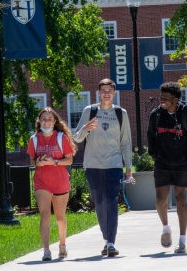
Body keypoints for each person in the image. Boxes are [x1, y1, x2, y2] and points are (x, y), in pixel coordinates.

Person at [73, 78, 133, 257]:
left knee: (112, 202)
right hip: (93, 165)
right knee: (99, 203)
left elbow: (126, 142)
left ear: (114, 93)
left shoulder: (121, 113)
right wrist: (86, 128)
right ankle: (106, 239)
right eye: (103, 90)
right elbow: (76, 137)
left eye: (110, 90)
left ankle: (111, 243)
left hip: (114, 165)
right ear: (98, 93)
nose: (106, 93)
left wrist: (128, 167)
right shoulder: (89, 111)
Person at [146, 82, 187, 254]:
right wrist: (154, 154)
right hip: (162, 163)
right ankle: (166, 228)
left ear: (175, 99)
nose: (161, 101)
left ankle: (182, 240)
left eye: (166, 98)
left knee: (181, 200)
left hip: (183, 163)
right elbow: (151, 135)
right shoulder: (156, 115)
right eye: (161, 97)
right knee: (160, 200)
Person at [27, 107, 77, 261]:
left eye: (49, 119)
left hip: (60, 180)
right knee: (45, 215)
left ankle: (62, 244)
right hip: (41, 181)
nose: (46, 121)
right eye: (44, 119)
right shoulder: (34, 139)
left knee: (60, 217)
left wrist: (54, 161)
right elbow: (31, 161)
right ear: (39, 121)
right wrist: (37, 163)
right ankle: (46, 250)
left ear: (55, 121)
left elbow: (69, 160)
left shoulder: (61, 138)